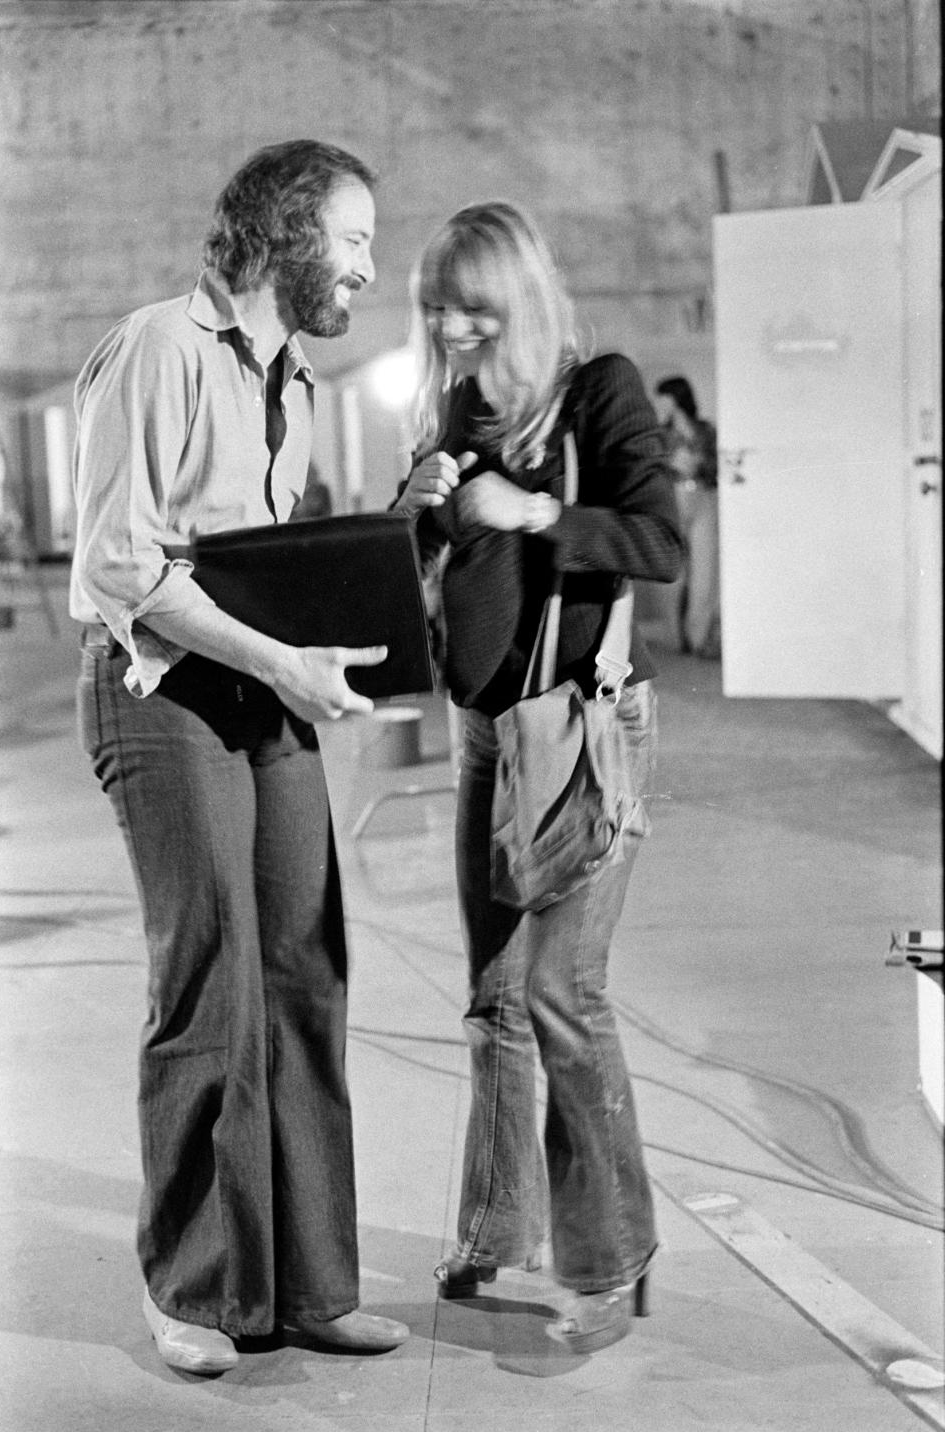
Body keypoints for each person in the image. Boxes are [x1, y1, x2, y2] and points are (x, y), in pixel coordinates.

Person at [70, 140, 410, 1374]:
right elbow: (117, 564)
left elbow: (253, 561)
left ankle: (312, 1282)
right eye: (358, 238)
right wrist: (280, 660)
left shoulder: (296, 379)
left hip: (262, 695)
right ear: (287, 232)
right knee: (211, 983)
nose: (371, 268)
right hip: (158, 694)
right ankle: (195, 1289)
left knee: (304, 974)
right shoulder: (161, 345)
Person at [392, 202, 683, 1353]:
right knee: (495, 999)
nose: (452, 327)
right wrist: (412, 519)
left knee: (563, 990)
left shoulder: (597, 389)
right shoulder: (460, 410)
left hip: (583, 724)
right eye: (434, 308)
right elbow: (420, 587)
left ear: (518, 300)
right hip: (486, 731)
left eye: (473, 306)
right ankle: (492, 1228)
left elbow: (662, 542)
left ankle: (612, 1262)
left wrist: (536, 509)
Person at [653, 375, 721, 658]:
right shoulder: (659, 434)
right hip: (674, 499)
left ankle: (698, 638)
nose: (659, 403)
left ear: (675, 398)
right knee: (674, 571)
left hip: (702, 497)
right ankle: (674, 637)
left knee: (704, 570)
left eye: (663, 397)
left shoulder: (704, 429)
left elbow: (714, 467)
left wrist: (697, 462)